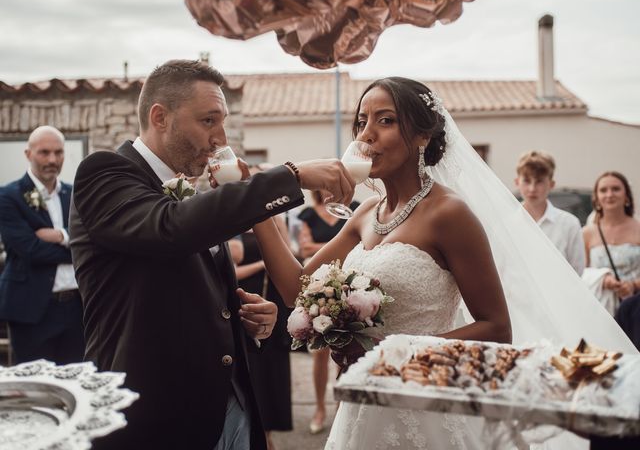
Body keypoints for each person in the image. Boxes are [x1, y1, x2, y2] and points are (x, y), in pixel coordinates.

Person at [252, 77, 636, 449]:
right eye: (361, 122)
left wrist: (394, 352)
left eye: (385, 120)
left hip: (426, 405)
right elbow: (295, 289)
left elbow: (496, 327)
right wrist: (255, 205)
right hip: (363, 407)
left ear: (423, 135)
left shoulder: (449, 213)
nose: (365, 134)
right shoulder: (367, 212)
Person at [68, 59, 356, 450]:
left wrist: (248, 321)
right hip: (156, 416)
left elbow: (194, 285)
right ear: (160, 117)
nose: (220, 138)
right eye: (208, 121)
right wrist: (292, 175)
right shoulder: (104, 173)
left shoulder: (194, 195)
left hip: (231, 406)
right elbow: (170, 228)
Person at [0, 125, 84, 364]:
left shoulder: (75, 194)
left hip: (77, 309)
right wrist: (77, 247)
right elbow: (30, 250)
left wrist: (61, 235)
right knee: (35, 388)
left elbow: (93, 238)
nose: (52, 159)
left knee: (75, 380)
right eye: (44, 152)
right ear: (28, 154)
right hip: (31, 310)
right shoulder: (8, 197)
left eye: (58, 153)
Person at [229, 165, 293, 450]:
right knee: (254, 367)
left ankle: (271, 429)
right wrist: (263, 264)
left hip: (274, 296)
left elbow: (288, 253)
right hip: (248, 295)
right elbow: (233, 269)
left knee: (274, 367)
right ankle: (258, 430)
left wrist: (273, 217)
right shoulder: (233, 217)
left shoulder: (272, 217)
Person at [297, 190, 359, 434]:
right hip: (319, 284)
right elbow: (304, 250)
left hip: (350, 284)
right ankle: (320, 408)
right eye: (322, 185)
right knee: (319, 351)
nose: (327, 188)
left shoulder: (354, 208)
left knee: (346, 348)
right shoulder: (309, 214)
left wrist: (320, 246)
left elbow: (362, 243)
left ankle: (341, 407)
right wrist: (343, 244)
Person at [515, 150, 585, 274]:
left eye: (539, 181)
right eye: (526, 181)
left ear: (551, 184)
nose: (532, 188)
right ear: (517, 182)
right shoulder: (507, 223)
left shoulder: (569, 224)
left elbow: (577, 271)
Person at [582, 171, 640, 317]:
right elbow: (579, 272)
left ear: (626, 195)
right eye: (603, 190)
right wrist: (602, 279)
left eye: (616, 189)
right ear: (596, 198)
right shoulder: (587, 233)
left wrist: (633, 285)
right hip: (600, 310)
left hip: (635, 309)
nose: (609, 194)